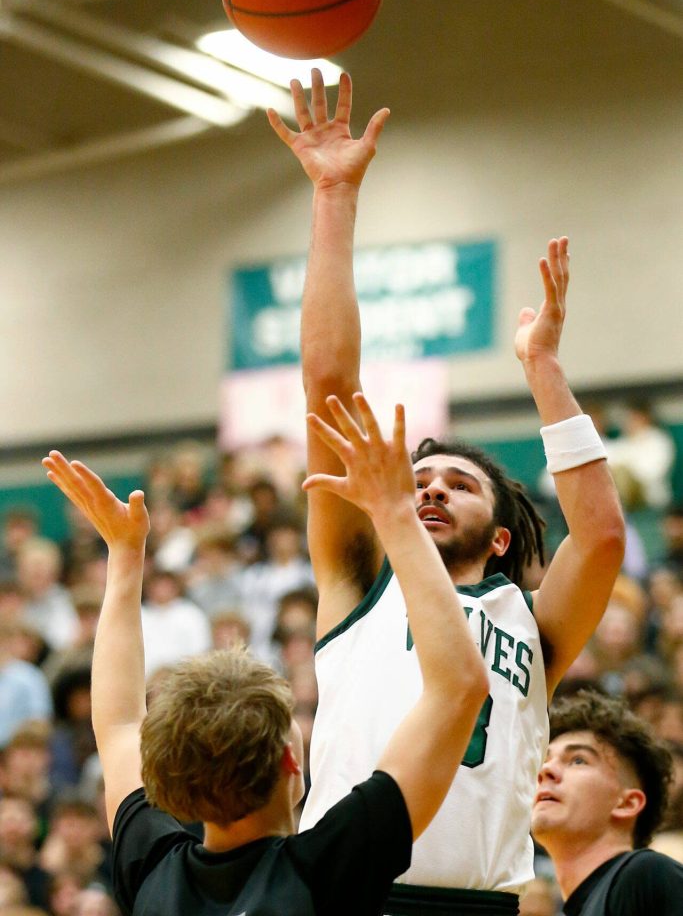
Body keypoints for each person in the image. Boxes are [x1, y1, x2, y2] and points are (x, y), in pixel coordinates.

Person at [267, 69, 626, 913]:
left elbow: (601, 536)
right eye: (418, 478)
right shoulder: (360, 582)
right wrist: (332, 198)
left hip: (481, 899)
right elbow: (327, 384)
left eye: (458, 485)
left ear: (500, 538)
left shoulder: (530, 627)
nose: (427, 491)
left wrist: (540, 370)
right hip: (350, 889)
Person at [41, 390, 488, 916]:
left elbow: (116, 724)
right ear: (289, 760)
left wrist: (123, 554)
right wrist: (395, 513)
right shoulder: (324, 868)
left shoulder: (155, 870)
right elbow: (461, 686)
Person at [531, 690, 683, 914]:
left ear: (627, 804)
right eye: (545, 760)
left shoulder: (645, 875)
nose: (546, 770)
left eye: (577, 760)